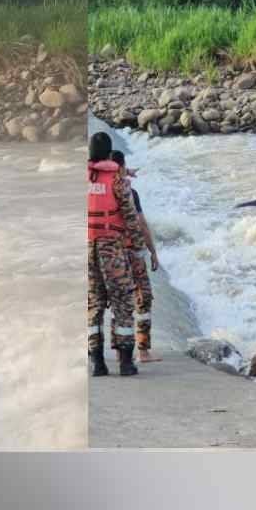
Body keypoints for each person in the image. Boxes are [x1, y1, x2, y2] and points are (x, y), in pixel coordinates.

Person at [87, 132, 145, 377]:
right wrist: (139, 248)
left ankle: (98, 363)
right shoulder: (118, 181)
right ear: (110, 154)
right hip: (112, 248)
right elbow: (131, 218)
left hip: (87, 247)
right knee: (122, 301)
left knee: (94, 302)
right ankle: (125, 362)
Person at [110, 150, 161, 362]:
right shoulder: (130, 192)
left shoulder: (99, 192)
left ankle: (120, 351)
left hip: (109, 253)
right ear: (121, 167)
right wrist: (153, 252)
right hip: (132, 252)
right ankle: (143, 351)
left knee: (119, 301)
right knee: (143, 297)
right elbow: (141, 225)